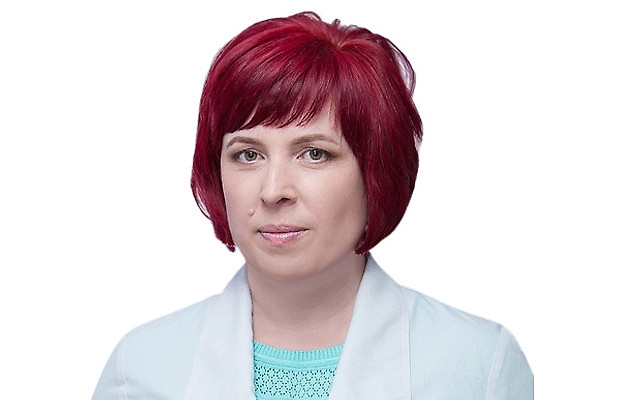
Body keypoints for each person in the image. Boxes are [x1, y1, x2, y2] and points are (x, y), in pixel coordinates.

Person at [92, 12, 533, 399]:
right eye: (248, 154)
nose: (273, 191)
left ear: (376, 171)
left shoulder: (478, 366)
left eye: (314, 153)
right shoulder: (141, 371)